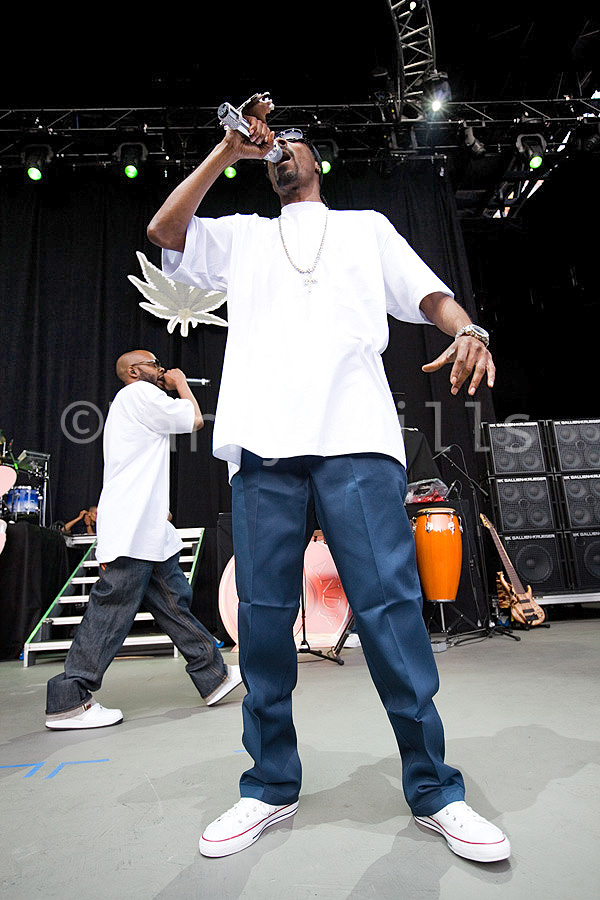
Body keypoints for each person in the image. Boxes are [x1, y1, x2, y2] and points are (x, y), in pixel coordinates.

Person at [147, 96, 509, 864]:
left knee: (391, 614)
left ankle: (435, 789)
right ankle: (269, 785)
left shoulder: (365, 228)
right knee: (264, 621)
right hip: (263, 449)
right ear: (264, 166)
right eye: (275, 144)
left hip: (356, 439)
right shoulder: (245, 236)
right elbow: (166, 233)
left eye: (297, 141)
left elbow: (429, 295)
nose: (285, 148)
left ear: (317, 162)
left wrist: (468, 328)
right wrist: (226, 151)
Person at [45, 350, 243, 730]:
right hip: (134, 527)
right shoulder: (139, 393)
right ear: (134, 372)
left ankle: (213, 675)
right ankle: (69, 698)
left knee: (173, 602)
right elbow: (194, 419)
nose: (161, 368)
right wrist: (181, 383)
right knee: (111, 610)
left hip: (146, 527)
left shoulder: (133, 401)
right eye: (154, 364)